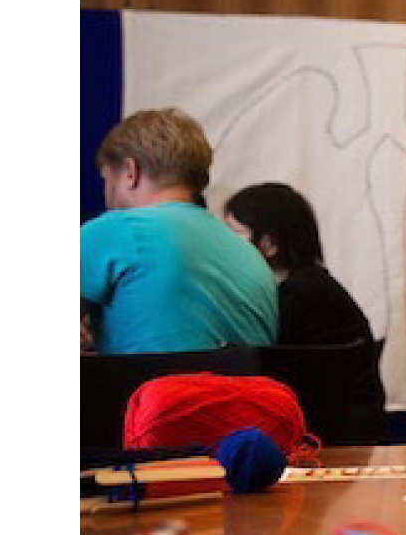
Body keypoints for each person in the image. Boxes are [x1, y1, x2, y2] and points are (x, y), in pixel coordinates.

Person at [82, 108, 278, 354]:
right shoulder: (250, 256)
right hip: (247, 391)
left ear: (130, 172)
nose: (106, 194)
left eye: (106, 180)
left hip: (143, 390)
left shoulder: (118, 230)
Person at [223, 182, 374, 347]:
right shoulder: (316, 282)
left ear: (270, 244)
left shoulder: (295, 296)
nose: (224, 242)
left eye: (235, 233)